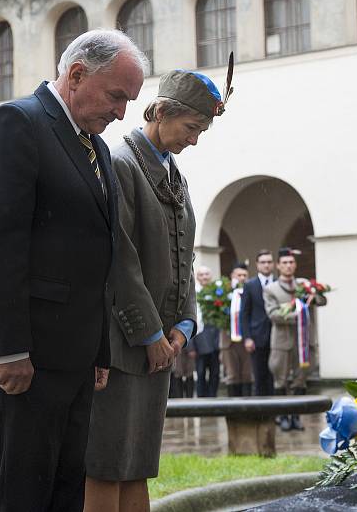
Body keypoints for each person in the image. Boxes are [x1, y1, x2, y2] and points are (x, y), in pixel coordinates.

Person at [0, 29, 145, 512]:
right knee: (26, 491)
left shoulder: (95, 147)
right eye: (117, 96)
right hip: (28, 354)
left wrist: (99, 349)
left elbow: (94, 258)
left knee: (66, 489)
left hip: (76, 354)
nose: (122, 112)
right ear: (77, 74)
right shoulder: (17, 124)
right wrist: (10, 349)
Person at [85, 66, 231, 512]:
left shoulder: (174, 175)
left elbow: (183, 256)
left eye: (201, 131)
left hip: (160, 348)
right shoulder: (119, 163)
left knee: (139, 463)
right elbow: (119, 259)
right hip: (124, 344)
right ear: (162, 111)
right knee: (107, 463)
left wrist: (183, 326)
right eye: (191, 128)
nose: (195, 140)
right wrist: (150, 335)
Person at [264, 247, 327, 431]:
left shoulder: (303, 285)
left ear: (295, 265)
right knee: (280, 379)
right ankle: (283, 416)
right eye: (284, 263)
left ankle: (296, 417)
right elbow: (273, 314)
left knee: (301, 379)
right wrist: (298, 314)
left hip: (304, 341)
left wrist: (314, 295)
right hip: (282, 342)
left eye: (291, 262)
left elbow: (323, 301)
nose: (288, 266)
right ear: (278, 266)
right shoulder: (271, 289)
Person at [240, 249, 275, 396]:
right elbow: (244, 313)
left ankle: (277, 412)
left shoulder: (279, 283)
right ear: (257, 265)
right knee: (260, 375)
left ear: (273, 264)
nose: (266, 265)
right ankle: (262, 414)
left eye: (269, 262)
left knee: (275, 375)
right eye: (263, 262)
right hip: (257, 337)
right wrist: (247, 337)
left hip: (276, 336)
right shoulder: (250, 285)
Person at [221, 262, 254, 396]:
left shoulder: (251, 290)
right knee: (232, 375)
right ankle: (232, 415)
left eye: (244, 275)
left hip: (246, 339)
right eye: (238, 275)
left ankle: (247, 411)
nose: (241, 278)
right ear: (232, 275)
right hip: (228, 341)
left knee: (247, 374)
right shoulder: (222, 291)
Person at [189, 265, 221, 398]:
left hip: (216, 340)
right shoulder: (193, 294)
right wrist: (190, 346)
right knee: (201, 373)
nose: (204, 277)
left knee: (215, 373)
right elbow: (189, 319)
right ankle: (202, 401)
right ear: (197, 277)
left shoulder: (218, 293)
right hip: (199, 340)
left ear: (211, 276)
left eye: (206, 274)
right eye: (201, 275)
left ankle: (213, 399)